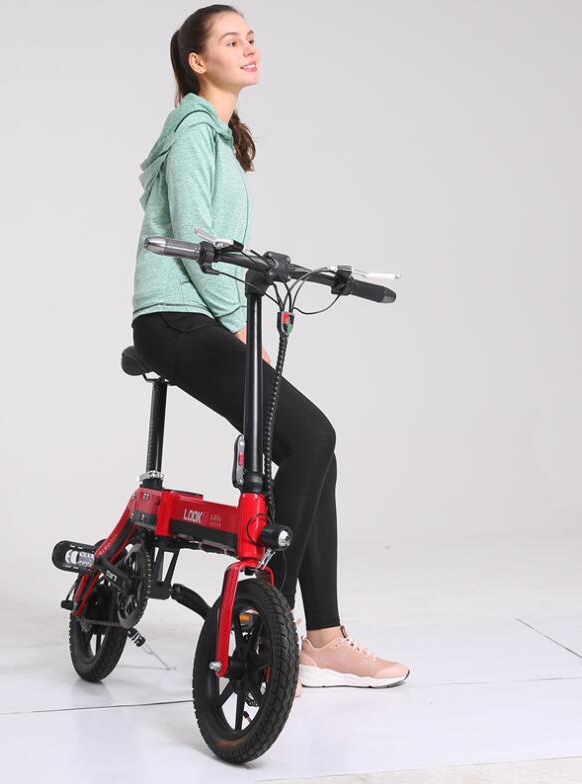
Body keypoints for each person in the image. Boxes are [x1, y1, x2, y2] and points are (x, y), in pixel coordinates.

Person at [130, 4, 410, 697]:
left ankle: (321, 640)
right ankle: (270, 629)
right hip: (175, 320)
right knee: (311, 437)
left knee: (313, 452)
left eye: (251, 38)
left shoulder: (221, 137)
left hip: (200, 316)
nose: (249, 48)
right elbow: (197, 240)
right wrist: (237, 323)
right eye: (232, 40)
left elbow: (224, 249)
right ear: (198, 62)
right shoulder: (193, 133)